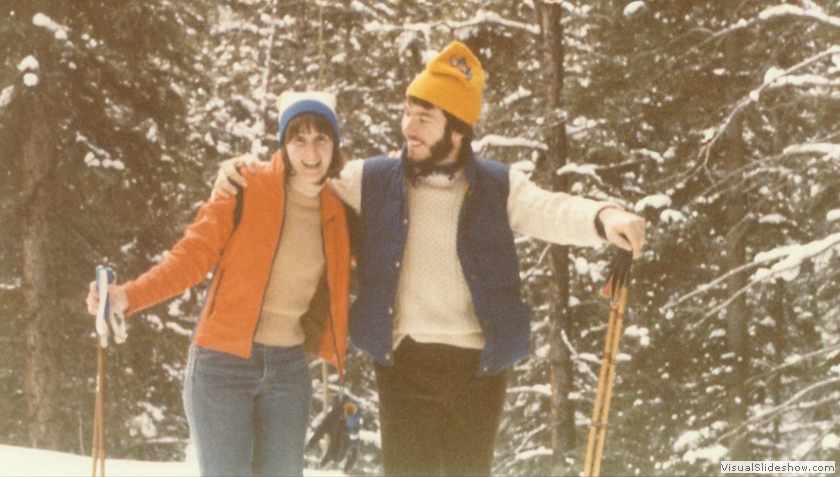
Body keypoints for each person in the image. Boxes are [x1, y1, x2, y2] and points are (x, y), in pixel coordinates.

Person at [213, 42, 646, 476]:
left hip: (479, 369)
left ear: (457, 130)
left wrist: (603, 217)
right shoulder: (374, 179)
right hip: (404, 364)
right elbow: (304, 170)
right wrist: (239, 172)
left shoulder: (497, 185)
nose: (408, 128)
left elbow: (548, 209)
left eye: (424, 119)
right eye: (406, 113)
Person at [86, 92, 352, 477]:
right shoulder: (246, 186)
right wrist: (129, 296)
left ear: (334, 144)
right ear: (284, 143)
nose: (311, 151)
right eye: (299, 138)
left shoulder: (340, 208)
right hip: (222, 366)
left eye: (321, 138)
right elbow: (191, 257)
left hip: (289, 371)